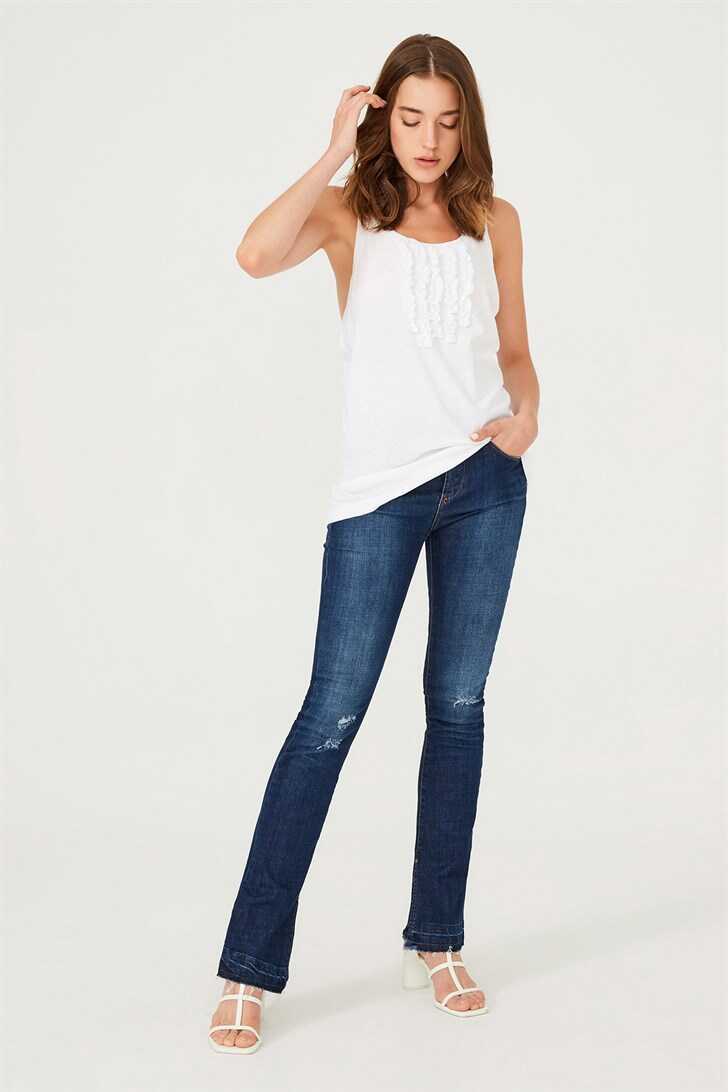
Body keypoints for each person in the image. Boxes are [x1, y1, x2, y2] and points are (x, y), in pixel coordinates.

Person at [208, 32, 540, 1054]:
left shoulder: (494, 221)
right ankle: (248, 967)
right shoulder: (349, 212)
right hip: (379, 498)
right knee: (329, 716)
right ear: (382, 118)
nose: (429, 140)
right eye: (409, 118)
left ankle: (435, 939)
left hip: (484, 485)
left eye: (447, 121)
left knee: (459, 709)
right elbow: (254, 254)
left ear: (467, 125)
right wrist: (330, 149)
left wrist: (526, 413)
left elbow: (515, 350)